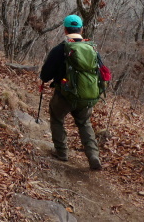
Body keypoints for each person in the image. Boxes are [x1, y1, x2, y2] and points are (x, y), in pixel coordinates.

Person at [39, 14, 104, 170]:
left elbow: (45, 75)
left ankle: (61, 152)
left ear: (65, 30)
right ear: (81, 29)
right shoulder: (92, 49)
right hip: (87, 97)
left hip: (65, 95)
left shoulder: (60, 49)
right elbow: (101, 73)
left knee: (57, 118)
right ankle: (93, 154)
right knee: (84, 122)